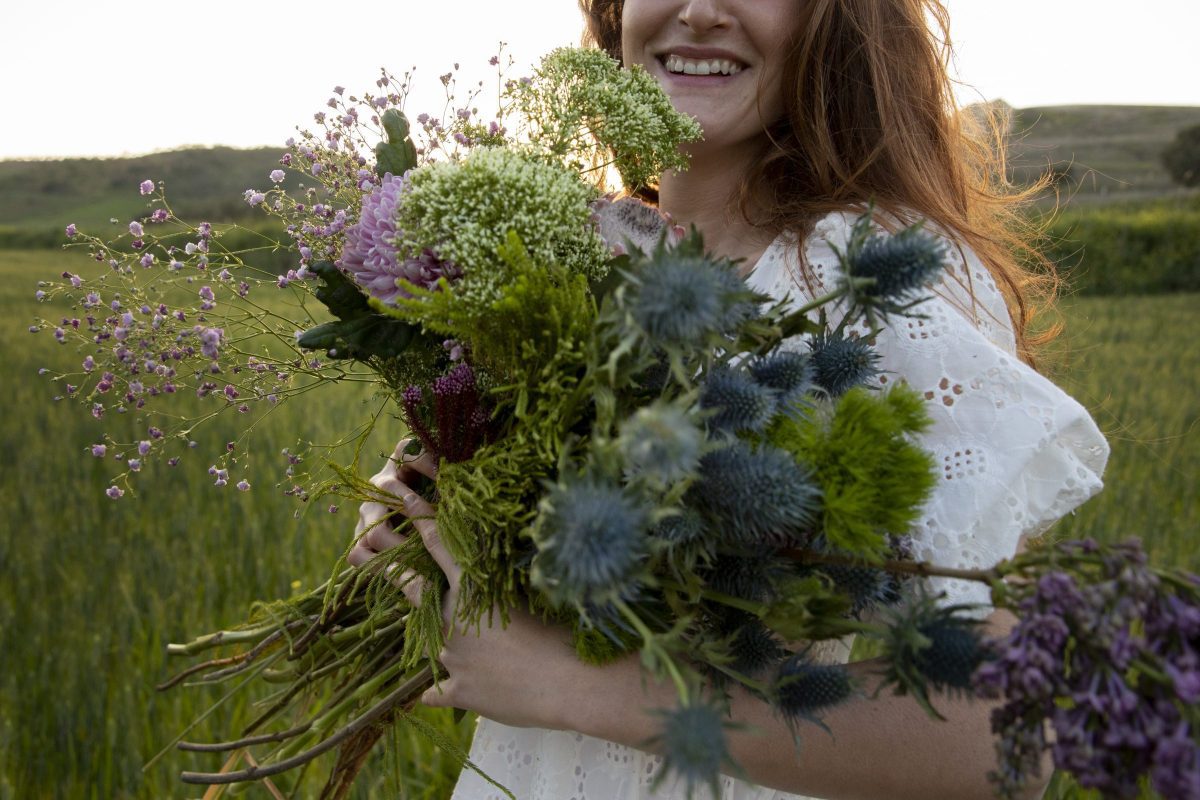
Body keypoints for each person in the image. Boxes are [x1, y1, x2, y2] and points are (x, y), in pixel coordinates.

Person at [348, 0, 1111, 797]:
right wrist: (417, 526)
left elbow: (998, 739)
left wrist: (576, 689)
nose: (701, 11)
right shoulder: (566, 248)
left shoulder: (865, 279)